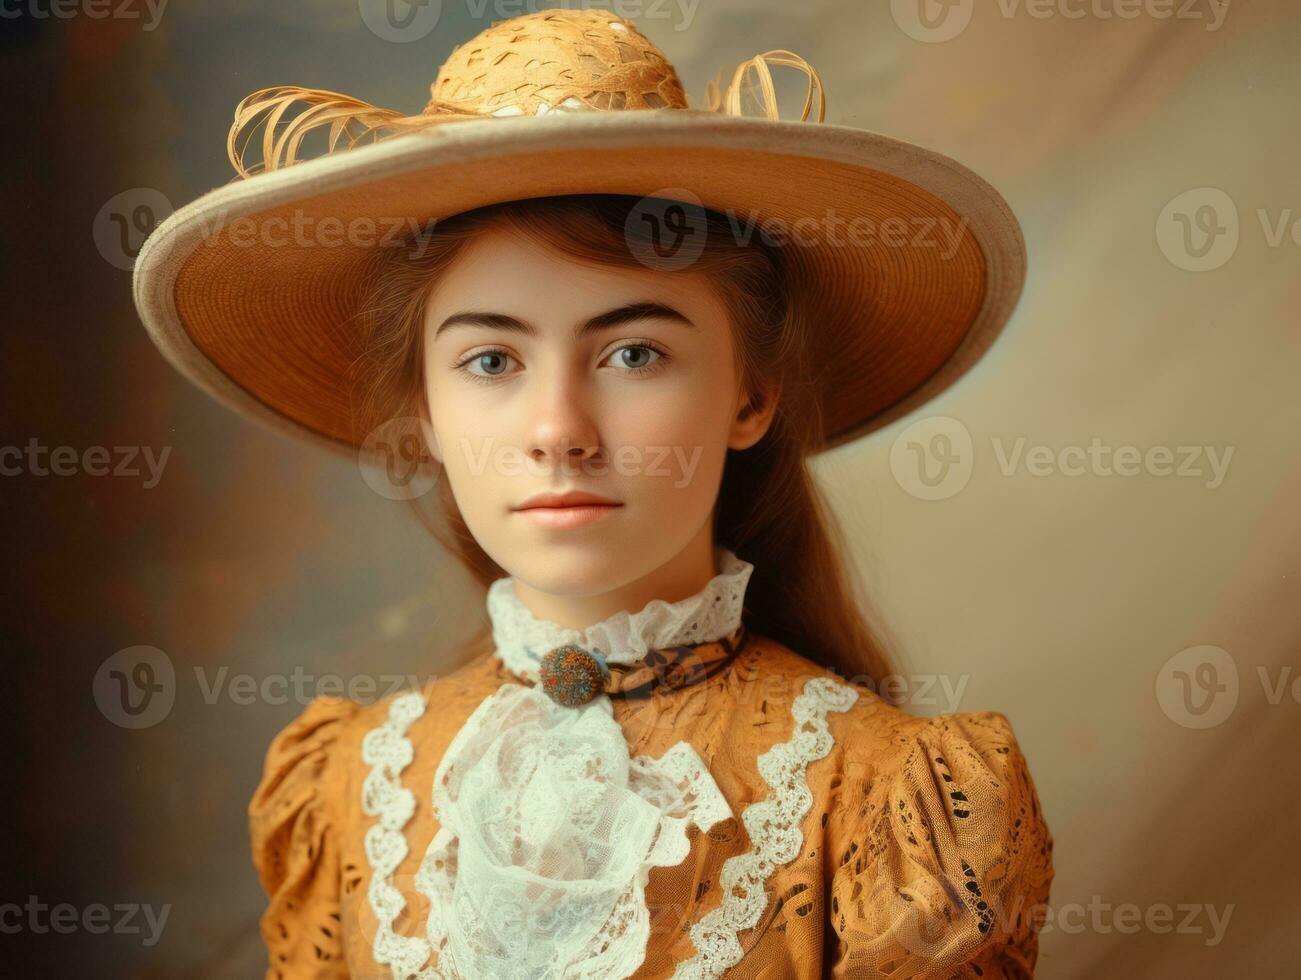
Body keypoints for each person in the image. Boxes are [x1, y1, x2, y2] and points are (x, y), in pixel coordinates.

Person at [132, 9, 1053, 978]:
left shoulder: (885, 795)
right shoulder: (345, 788)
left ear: (749, 391)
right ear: (424, 413)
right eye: (490, 359)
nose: (558, 428)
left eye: (631, 352)